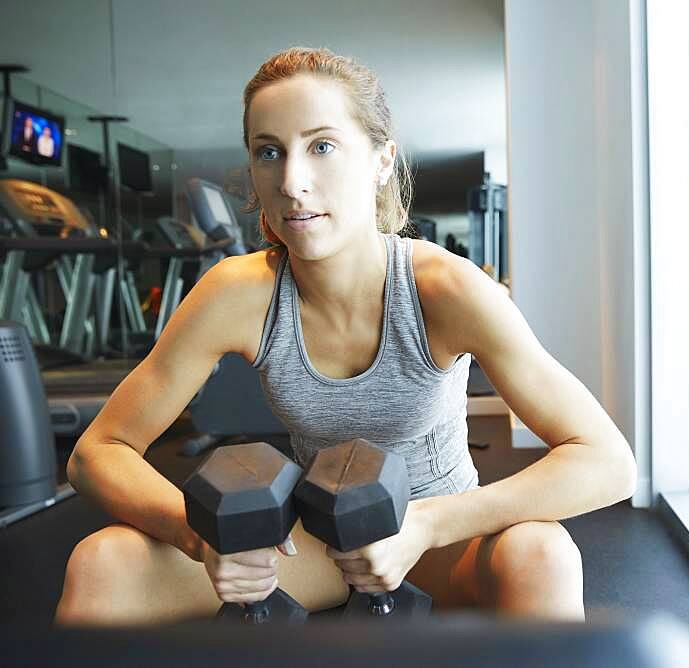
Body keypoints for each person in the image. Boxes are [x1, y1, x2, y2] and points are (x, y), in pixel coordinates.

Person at [55, 47, 637, 626]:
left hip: (441, 542)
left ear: (381, 160)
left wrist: (428, 525)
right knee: (103, 562)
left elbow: (608, 462)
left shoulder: (443, 289)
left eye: (322, 146)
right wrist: (200, 537)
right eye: (269, 152)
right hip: (319, 546)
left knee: (545, 553)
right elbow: (96, 454)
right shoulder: (237, 293)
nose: (292, 181)